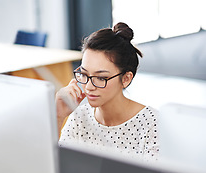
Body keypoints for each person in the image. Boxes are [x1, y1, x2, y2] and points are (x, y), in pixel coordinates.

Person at [56, 22, 159, 161]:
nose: (89, 87)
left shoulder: (152, 124)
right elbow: (57, 170)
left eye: (100, 78)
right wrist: (58, 116)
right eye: (84, 74)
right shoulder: (79, 117)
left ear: (126, 79)